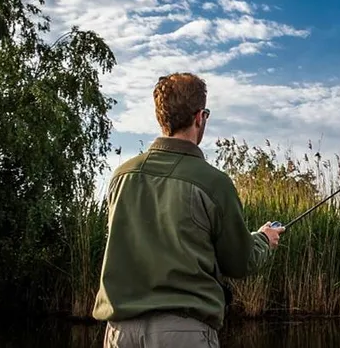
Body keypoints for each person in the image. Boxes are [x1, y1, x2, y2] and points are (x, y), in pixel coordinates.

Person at [92, 72, 284, 347]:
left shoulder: (122, 177)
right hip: (182, 334)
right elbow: (240, 262)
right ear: (199, 117)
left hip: (119, 333)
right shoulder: (213, 182)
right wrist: (265, 238)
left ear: (162, 117)